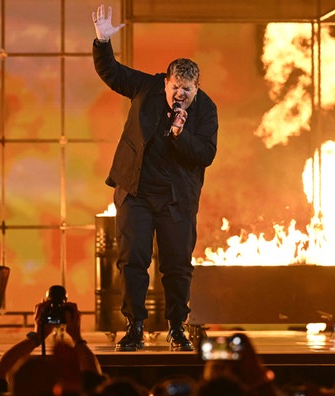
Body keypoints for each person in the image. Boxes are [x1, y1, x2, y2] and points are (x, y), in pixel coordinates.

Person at [91, 4, 219, 352]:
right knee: (133, 261)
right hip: (137, 192)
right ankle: (134, 327)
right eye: (177, 87)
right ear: (166, 83)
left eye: (188, 90)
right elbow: (112, 72)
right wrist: (102, 40)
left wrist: (180, 134)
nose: (181, 95)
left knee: (177, 266)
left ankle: (177, 327)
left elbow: (206, 154)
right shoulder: (146, 88)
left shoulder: (205, 110)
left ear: (197, 89)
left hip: (177, 199)